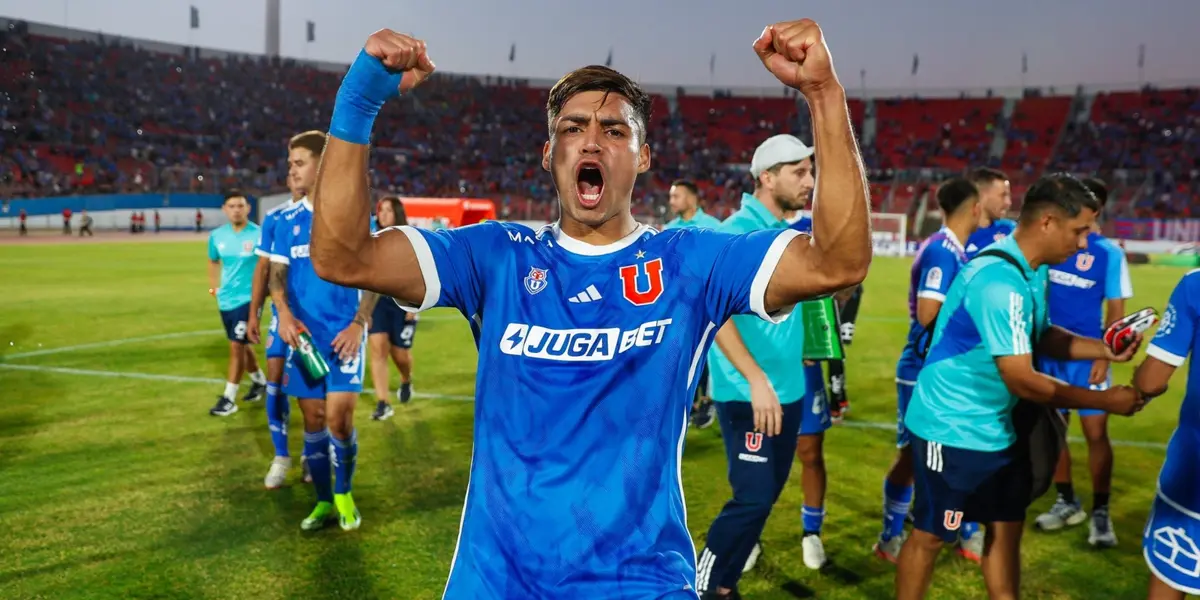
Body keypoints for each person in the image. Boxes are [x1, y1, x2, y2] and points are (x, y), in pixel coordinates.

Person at [308, 21, 870, 599]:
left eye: (614, 130)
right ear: (551, 154)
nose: (592, 141)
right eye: (573, 129)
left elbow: (836, 264)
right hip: (497, 584)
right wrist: (359, 100)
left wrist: (824, 94)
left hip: (641, 583)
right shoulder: (495, 256)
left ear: (644, 155)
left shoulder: (688, 260)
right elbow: (343, 256)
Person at [894, 173, 1146, 600]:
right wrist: (1103, 401)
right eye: (1079, 230)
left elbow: (1039, 334)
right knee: (933, 535)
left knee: (1006, 528)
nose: (1085, 243)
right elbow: (1022, 378)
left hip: (999, 426)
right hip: (951, 429)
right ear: (1047, 222)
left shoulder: (1030, 270)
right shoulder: (998, 280)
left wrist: (1102, 349)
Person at [696, 134, 832, 594]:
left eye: (811, 171)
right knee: (752, 497)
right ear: (766, 177)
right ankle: (701, 581)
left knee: (766, 495)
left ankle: (723, 586)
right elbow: (716, 316)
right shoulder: (734, 233)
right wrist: (755, 379)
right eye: (799, 171)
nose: (809, 181)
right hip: (747, 392)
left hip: (789, 389)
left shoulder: (793, 233)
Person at [268, 137, 380, 532]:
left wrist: (359, 323)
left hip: (344, 336)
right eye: (291, 161)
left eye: (299, 162)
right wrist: (281, 313)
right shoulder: (286, 222)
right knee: (313, 420)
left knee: (339, 421)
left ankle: (344, 493)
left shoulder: (352, 216)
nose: (293, 170)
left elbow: (373, 276)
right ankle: (321, 501)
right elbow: (277, 277)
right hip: (304, 340)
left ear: (321, 166)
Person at [872, 178, 981, 563]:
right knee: (915, 457)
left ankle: (959, 527)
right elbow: (928, 312)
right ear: (973, 208)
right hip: (922, 370)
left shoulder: (954, 251)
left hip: (939, 370)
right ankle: (892, 536)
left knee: (949, 451)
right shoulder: (942, 251)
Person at [1033, 177, 1132, 547]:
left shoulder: (1108, 253)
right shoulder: (1053, 244)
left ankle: (1101, 512)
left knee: (1095, 433)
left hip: (1087, 356)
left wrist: (1106, 357)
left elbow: (1117, 310)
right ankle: (1066, 501)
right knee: (1054, 432)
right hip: (1048, 353)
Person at [248, 131, 318, 489]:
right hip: (281, 317)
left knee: (309, 393)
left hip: (315, 319)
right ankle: (281, 455)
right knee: (274, 382)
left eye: (299, 167)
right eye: (290, 169)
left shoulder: (323, 214)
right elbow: (264, 271)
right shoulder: (276, 219)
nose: (293, 173)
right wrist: (253, 314)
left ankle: (309, 451)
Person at [1133, 271, 1200, 600]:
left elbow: (1151, 382)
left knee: (1173, 567)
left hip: (1194, 469)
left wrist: (1137, 374)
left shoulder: (1195, 284)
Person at [663, 179, 722, 429]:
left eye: (676, 196)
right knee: (684, 355)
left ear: (690, 198)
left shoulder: (714, 227)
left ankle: (709, 402)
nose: (671, 201)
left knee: (711, 355)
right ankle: (691, 403)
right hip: (680, 306)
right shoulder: (669, 229)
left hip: (710, 304)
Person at [206, 192, 268, 416]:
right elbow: (213, 260)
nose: (236, 210)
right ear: (224, 209)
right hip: (227, 300)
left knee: (236, 346)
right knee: (240, 343)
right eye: (232, 206)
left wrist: (265, 292)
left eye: (240, 206)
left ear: (248, 208)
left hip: (249, 299)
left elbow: (267, 265)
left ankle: (228, 398)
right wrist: (213, 287)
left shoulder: (259, 234)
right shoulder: (217, 236)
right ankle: (260, 381)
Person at [367, 195, 419, 421]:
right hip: (377, 301)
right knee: (378, 349)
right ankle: (383, 402)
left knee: (400, 355)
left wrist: (414, 305)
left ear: (397, 213)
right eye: (381, 210)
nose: (383, 214)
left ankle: (406, 379)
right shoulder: (371, 237)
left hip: (402, 301)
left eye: (388, 210)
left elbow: (419, 272)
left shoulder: (410, 237)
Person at [963, 167, 1015, 259]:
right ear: (981, 196)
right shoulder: (960, 238)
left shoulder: (1011, 230)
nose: (1008, 202)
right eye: (1003, 195)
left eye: (1008, 196)